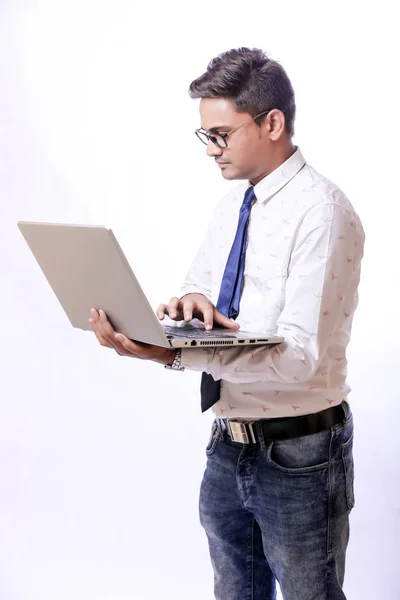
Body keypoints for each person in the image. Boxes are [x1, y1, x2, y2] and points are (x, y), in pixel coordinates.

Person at [89, 47, 365, 600]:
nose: (211, 150)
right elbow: (205, 287)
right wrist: (188, 309)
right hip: (227, 444)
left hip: (300, 454)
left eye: (221, 134)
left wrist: (174, 355)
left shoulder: (322, 212)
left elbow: (300, 358)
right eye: (206, 137)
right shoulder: (234, 206)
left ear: (272, 123)